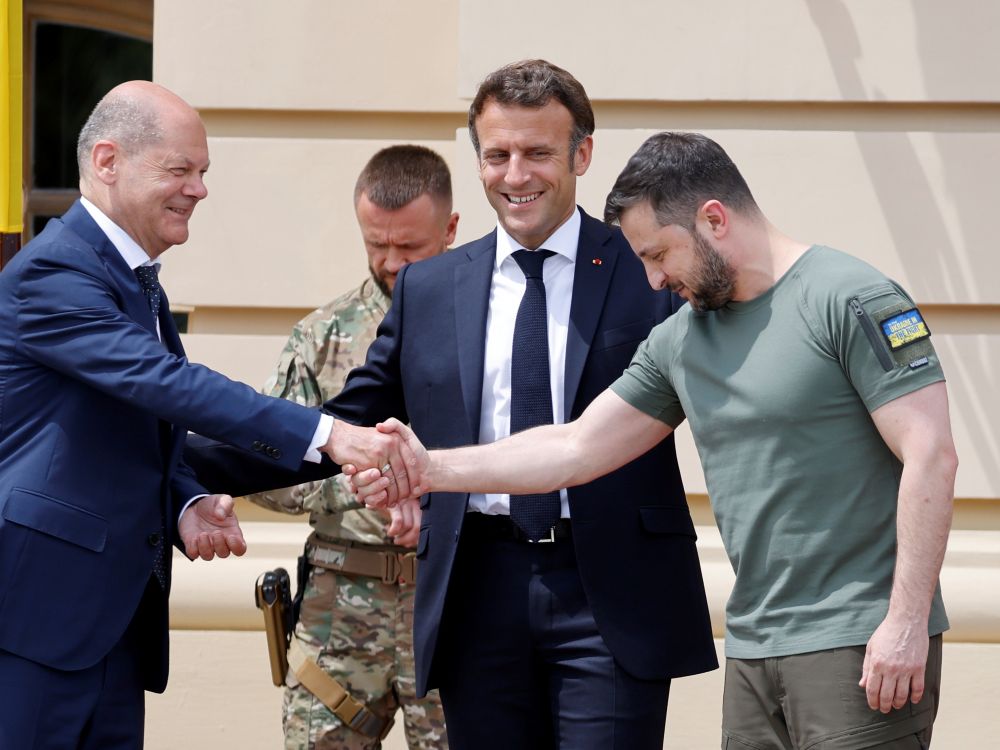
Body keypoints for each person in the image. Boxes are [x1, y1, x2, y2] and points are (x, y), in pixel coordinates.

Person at [355, 131, 958, 750]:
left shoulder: (849, 297)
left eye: (659, 254)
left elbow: (932, 455)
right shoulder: (682, 338)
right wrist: (428, 469)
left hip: (859, 641)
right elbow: (574, 447)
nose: (652, 280)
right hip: (754, 648)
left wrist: (906, 621)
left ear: (713, 220)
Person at [185, 61, 717, 750]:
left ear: (581, 155)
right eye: (497, 155)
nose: (515, 175)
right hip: (474, 590)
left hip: (612, 593)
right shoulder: (430, 288)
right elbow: (342, 423)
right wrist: (185, 468)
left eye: (537, 153)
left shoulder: (645, 268)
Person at [0, 80, 411, 750]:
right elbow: (167, 385)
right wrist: (331, 434)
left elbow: (123, 434)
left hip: (112, 627)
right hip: (39, 622)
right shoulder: (55, 274)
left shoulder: (132, 279)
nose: (199, 189)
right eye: (180, 170)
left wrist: (185, 501)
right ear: (108, 161)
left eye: (203, 172)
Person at [246, 145, 456, 749]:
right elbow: (262, 468)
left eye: (409, 246)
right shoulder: (321, 336)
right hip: (340, 607)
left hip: (454, 599)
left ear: (450, 229)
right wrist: (357, 485)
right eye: (376, 244)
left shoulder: (494, 330)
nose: (390, 262)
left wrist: (435, 495)